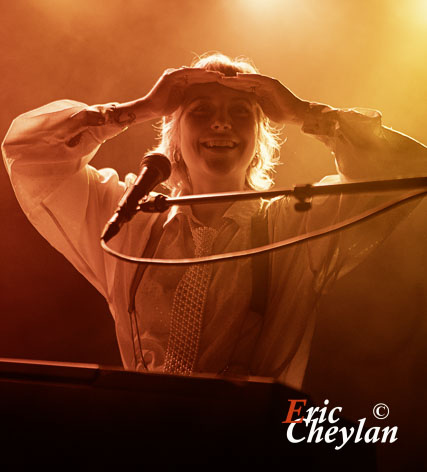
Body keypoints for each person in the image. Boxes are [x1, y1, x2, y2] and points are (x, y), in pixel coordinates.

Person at [2, 52, 426, 389]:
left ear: (260, 139)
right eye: (201, 110)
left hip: (246, 452)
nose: (221, 122)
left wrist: (304, 114)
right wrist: (139, 108)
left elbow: (407, 170)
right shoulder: (131, 220)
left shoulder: (294, 225)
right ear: (175, 138)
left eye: (241, 112)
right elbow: (30, 152)